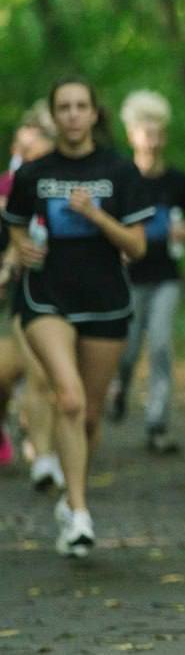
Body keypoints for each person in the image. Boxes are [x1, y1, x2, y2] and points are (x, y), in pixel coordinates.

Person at [2, 80, 152, 557]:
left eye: (80, 107)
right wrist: (18, 250)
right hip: (46, 297)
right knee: (66, 398)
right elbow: (15, 232)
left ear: (93, 114)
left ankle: (71, 497)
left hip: (105, 299)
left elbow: (136, 246)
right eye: (62, 108)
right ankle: (82, 515)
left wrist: (96, 215)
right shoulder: (33, 174)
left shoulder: (119, 170)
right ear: (53, 116)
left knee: (87, 413)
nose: (71, 115)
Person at [110, 90, 185, 453]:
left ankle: (157, 423)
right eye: (143, 131)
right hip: (128, 277)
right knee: (128, 349)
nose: (150, 138)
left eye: (156, 131)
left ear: (163, 136)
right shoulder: (120, 178)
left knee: (162, 345)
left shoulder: (178, 182)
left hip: (167, 276)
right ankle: (118, 387)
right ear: (131, 135)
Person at [0, 114, 64, 490]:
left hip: (71, 294)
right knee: (27, 374)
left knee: (55, 379)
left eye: (33, 152)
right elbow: (12, 246)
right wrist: (9, 267)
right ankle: (42, 454)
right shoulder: (11, 192)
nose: (25, 159)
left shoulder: (68, 190)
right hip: (25, 295)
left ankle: (51, 450)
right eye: (21, 151)